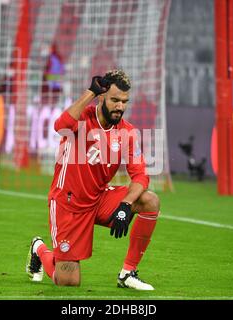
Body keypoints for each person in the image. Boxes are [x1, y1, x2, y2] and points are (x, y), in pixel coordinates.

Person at [26, 70, 160, 290]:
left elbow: (140, 175)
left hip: (98, 198)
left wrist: (126, 204)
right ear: (102, 97)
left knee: (150, 201)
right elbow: (60, 126)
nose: (120, 106)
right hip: (68, 205)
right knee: (68, 282)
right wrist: (90, 92)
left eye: (124, 101)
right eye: (115, 100)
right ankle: (40, 249)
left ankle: (127, 273)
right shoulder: (81, 119)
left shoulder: (127, 132)